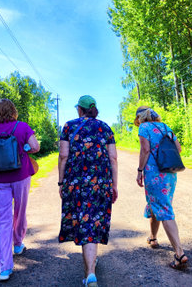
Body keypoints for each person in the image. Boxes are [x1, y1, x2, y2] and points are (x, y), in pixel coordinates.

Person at [58, 95, 118, 287]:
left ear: (79, 109)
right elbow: (113, 159)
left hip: (76, 183)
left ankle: (90, 274)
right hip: (101, 182)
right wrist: (114, 185)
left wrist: (61, 182)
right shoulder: (105, 127)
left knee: (85, 221)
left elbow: (63, 155)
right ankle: (91, 268)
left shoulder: (68, 126)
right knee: (94, 220)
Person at [0, 98, 40, 281]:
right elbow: (35, 147)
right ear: (13, 111)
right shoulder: (22, 127)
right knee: (20, 212)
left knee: (3, 222)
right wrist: (23, 148)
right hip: (21, 176)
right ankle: (18, 244)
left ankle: (4, 268)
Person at [134, 106, 189, 270]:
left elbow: (145, 150)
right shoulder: (165, 127)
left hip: (154, 173)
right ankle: (153, 237)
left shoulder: (144, 127)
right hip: (170, 173)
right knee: (155, 204)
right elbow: (178, 149)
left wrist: (139, 171)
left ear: (140, 118)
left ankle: (179, 253)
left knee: (163, 209)